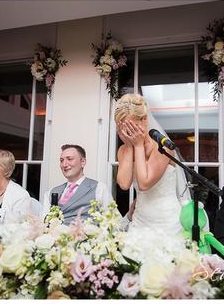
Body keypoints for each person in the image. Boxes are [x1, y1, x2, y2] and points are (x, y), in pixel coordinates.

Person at [114, 93, 183, 235]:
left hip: (167, 221)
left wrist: (138, 146)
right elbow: (124, 184)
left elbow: (144, 184)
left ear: (144, 120)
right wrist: (128, 146)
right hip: (139, 220)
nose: (127, 132)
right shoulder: (124, 150)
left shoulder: (163, 147)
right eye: (123, 128)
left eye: (131, 127)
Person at [41, 144, 133, 226]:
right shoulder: (50, 193)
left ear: (83, 162)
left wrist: (129, 216)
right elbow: (43, 224)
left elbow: (115, 222)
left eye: (69, 159)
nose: (64, 164)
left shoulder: (99, 188)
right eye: (61, 160)